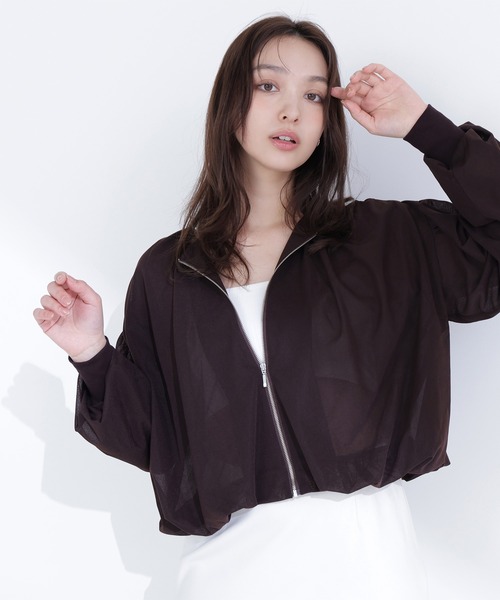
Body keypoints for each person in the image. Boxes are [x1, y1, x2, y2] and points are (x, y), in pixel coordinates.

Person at [33, 15, 500, 600]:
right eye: (269, 85)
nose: (292, 111)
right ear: (231, 104)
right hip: (226, 576)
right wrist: (92, 353)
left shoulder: (383, 241)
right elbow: (154, 441)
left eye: (313, 95)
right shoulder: (169, 273)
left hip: (369, 565)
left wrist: (428, 129)